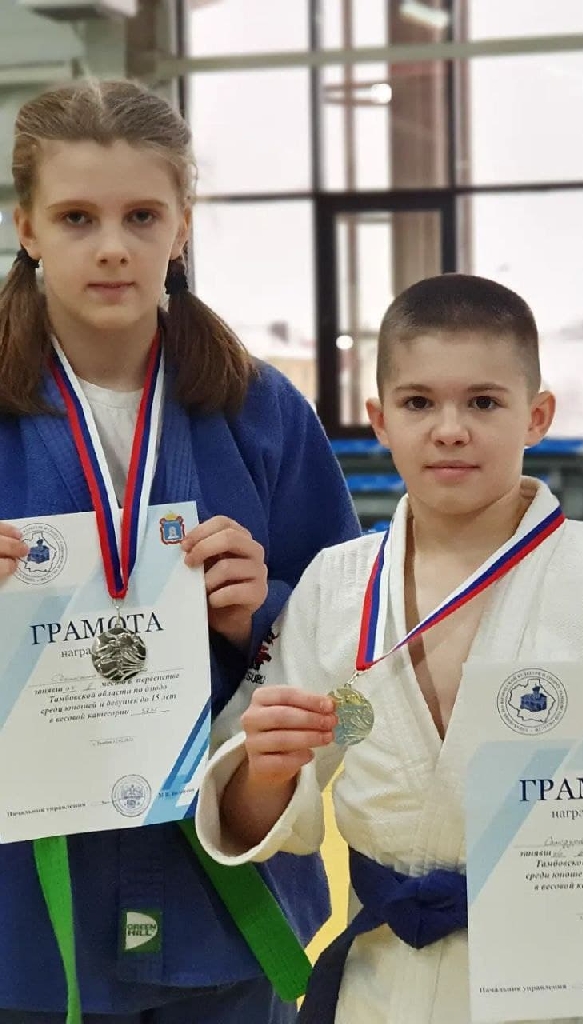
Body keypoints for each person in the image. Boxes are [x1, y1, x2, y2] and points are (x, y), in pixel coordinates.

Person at [195, 274, 583, 1024]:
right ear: (379, 419)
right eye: (418, 403)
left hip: (562, 982)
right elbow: (259, 808)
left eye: (483, 402)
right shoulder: (336, 584)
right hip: (383, 986)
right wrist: (267, 768)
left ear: (537, 416)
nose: (450, 429)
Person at [0, 79, 360, 1022]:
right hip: (23, 910)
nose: (112, 246)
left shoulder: (260, 409)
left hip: (218, 898)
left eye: (142, 215)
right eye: (76, 217)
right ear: (27, 227)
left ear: (182, 226)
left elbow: (358, 659)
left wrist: (261, 610)